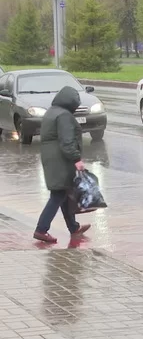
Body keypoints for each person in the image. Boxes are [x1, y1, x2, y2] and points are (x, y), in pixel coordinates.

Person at [34, 86, 91, 243]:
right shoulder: (64, 115)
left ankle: (73, 227)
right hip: (61, 161)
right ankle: (41, 229)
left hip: (52, 159)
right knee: (58, 194)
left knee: (64, 194)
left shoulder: (52, 112)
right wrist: (76, 159)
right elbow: (67, 141)